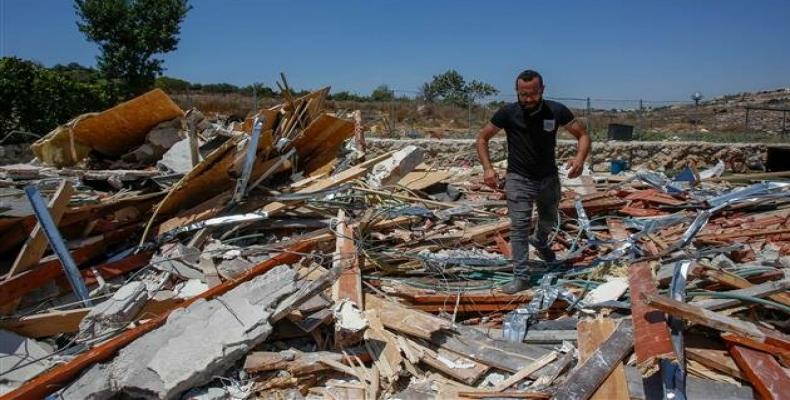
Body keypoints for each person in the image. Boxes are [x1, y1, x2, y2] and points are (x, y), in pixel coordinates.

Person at [476, 70, 591, 294]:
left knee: (548, 219)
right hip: (518, 178)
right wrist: (488, 168)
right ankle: (521, 276)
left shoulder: (556, 111)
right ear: (517, 92)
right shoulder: (507, 113)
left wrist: (579, 158)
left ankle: (539, 241)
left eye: (533, 94)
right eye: (523, 94)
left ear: (542, 90)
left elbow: (583, 135)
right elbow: (482, 138)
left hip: (548, 178)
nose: (528, 99)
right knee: (519, 227)